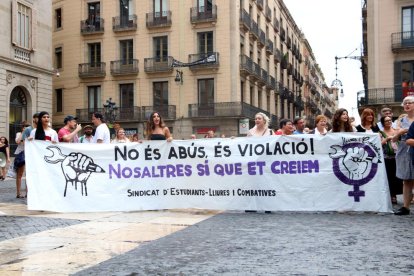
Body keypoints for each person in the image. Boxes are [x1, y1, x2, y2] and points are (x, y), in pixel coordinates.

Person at [393, 96, 414, 215]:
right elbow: (394, 138)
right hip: (403, 149)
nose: (407, 105)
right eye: (405, 103)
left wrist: (404, 130)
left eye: (409, 103)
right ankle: (405, 207)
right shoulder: (400, 121)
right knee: (406, 179)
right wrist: (400, 132)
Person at [379, 116, 403, 204]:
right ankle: (392, 195)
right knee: (389, 177)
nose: (389, 122)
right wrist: (386, 139)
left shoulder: (396, 131)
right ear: (383, 123)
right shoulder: (380, 133)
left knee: (398, 177)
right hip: (387, 158)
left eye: (390, 120)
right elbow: (379, 144)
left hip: (398, 157)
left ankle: (397, 194)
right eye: (386, 121)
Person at [14, 122, 30, 198]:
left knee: (29, 174)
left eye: (28, 127)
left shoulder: (31, 134)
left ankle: (28, 193)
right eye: (25, 127)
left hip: (29, 155)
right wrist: (23, 133)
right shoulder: (19, 134)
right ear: (22, 127)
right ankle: (18, 193)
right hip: (20, 154)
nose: (26, 128)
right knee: (19, 174)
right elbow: (17, 142)